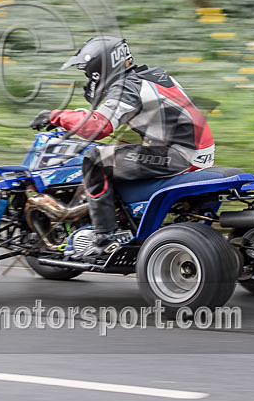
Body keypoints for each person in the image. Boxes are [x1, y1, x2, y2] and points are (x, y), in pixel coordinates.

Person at [30, 36, 215, 256]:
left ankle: (105, 235)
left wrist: (56, 116)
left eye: (89, 74)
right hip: (194, 153)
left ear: (101, 69)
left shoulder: (126, 87)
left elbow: (98, 126)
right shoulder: (151, 78)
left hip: (177, 156)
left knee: (95, 158)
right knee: (116, 154)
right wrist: (73, 116)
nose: (88, 80)